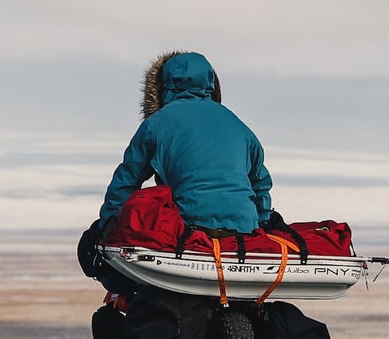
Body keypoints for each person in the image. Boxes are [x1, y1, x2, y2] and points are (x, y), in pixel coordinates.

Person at [80, 51, 276, 271]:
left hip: (188, 230)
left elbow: (125, 182)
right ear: (212, 83)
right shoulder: (239, 125)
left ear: (160, 88)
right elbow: (260, 184)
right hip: (243, 231)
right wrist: (260, 223)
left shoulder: (156, 124)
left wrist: (107, 227)